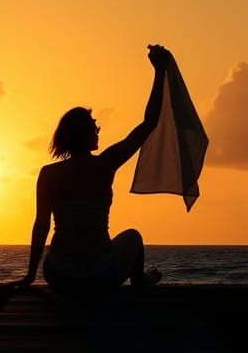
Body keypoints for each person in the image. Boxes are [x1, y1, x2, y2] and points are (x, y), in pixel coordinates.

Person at [16, 45, 170, 290]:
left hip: (60, 275)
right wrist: (160, 71)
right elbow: (149, 123)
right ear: (84, 134)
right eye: (93, 126)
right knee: (133, 237)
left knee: (59, 250)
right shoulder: (105, 164)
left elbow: (41, 225)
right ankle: (139, 280)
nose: (98, 130)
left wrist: (30, 275)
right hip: (100, 273)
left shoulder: (48, 174)